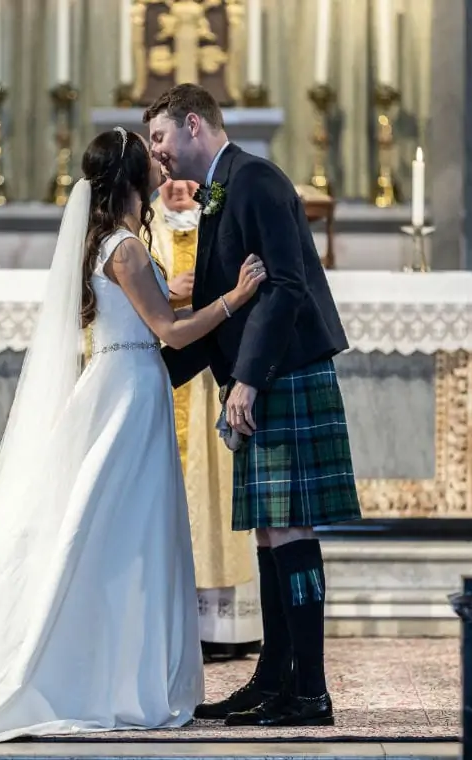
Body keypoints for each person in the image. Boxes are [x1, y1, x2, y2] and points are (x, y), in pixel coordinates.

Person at [0, 127, 267, 747]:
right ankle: (113, 674)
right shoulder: (127, 250)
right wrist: (237, 298)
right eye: (152, 163)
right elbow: (170, 330)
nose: (162, 170)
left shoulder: (108, 243)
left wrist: (203, 283)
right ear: (137, 179)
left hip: (119, 382)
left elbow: (160, 295)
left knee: (115, 528)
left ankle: (114, 665)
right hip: (133, 392)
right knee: (126, 531)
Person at [146, 83, 363, 728]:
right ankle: (275, 677)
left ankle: (312, 691)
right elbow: (225, 299)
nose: (155, 152)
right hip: (264, 377)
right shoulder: (222, 186)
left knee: (291, 527)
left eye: (159, 137)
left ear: (192, 124)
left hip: (285, 374)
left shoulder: (256, 179)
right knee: (272, 530)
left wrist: (248, 380)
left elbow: (288, 286)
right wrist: (149, 375)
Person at [148, 178, 262, 661]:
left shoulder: (223, 222)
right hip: (167, 371)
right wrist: (167, 289)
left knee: (216, 494)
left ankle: (224, 627)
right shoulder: (143, 228)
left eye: (186, 180)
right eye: (167, 177)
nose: (176, 187)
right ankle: (171, 621)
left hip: (213, 376)